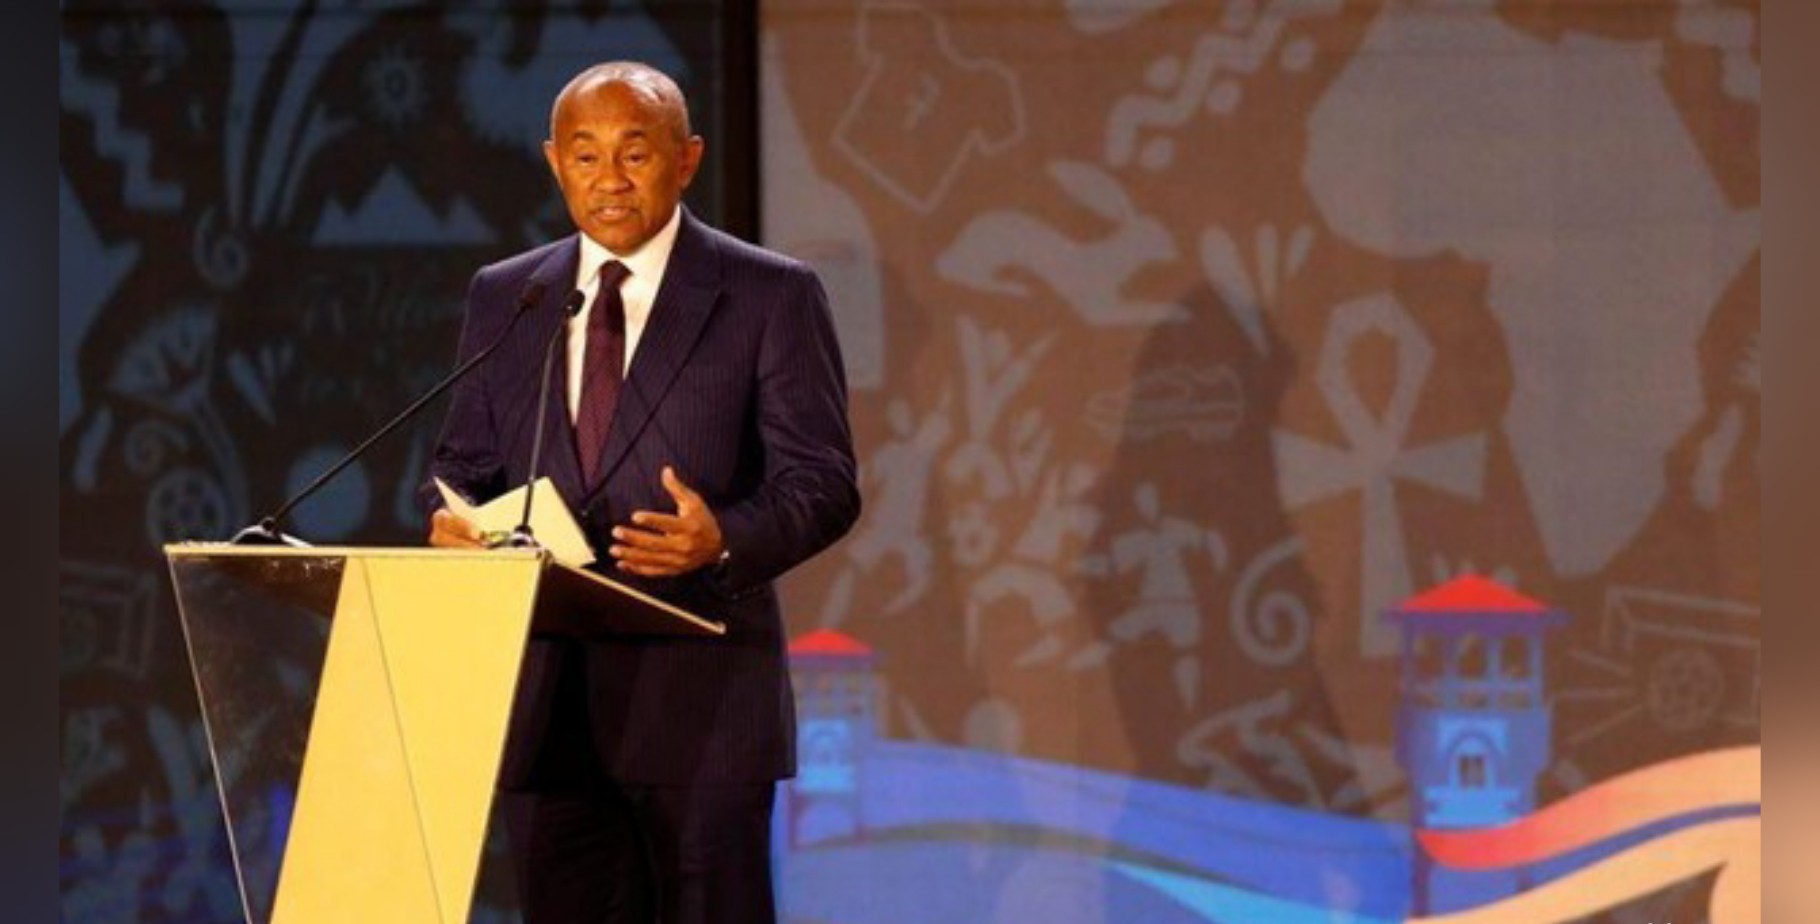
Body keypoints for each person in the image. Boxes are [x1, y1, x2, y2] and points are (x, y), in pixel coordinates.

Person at [423, 61, 860, 924]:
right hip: (549, 711)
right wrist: (454, 521)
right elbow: (463, 465)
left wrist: (724, 537)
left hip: (702, 707)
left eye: (635, 153)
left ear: (686, 159)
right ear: (555, 163)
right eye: (585, 156)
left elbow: (823, 482)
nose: (610, 180)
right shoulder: (510, 296)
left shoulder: (769, 293)